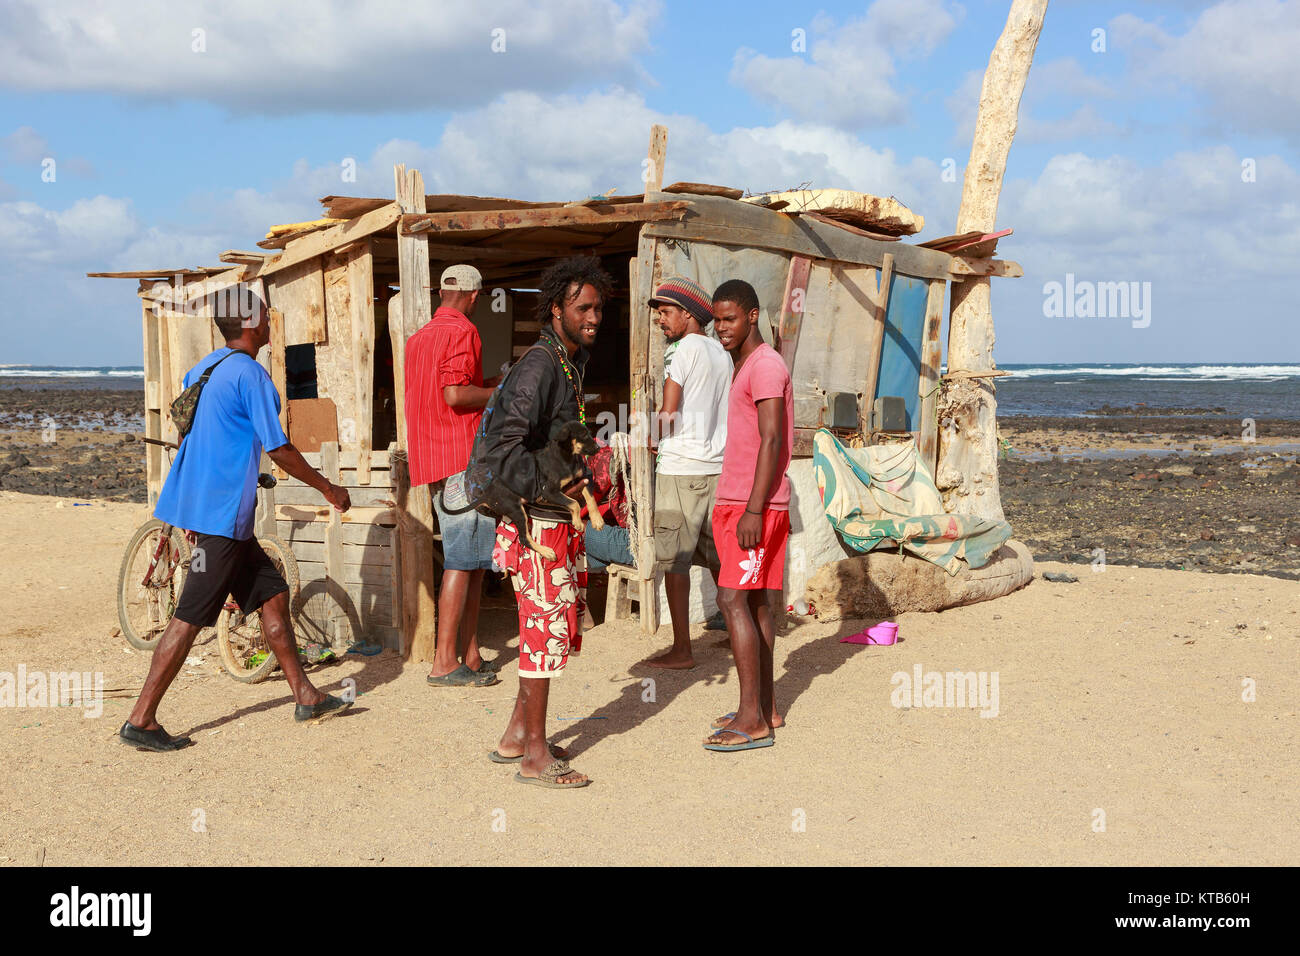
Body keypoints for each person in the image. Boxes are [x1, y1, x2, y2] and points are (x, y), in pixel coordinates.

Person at [122, 294, 354, 752]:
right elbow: (280, 447)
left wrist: (188, 513)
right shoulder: (251, 375)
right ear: (249, 321)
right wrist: (329, 488)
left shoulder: (202, 369)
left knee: (272, 592)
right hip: (223, 516)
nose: (270, 321)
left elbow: (192, 437)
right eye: (266, 314)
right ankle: (141, 718)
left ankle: (306, 696)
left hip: (208, 509)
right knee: (189, 618)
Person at [466, 255, 610, 788]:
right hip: (537, 526)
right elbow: (506, 449)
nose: (593, 316)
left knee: (547, 629)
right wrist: (555, 487)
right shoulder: (541, 365)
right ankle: (535, 757)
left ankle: (516, 736)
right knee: (543, 633)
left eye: (598, 307)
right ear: (556, 310)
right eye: (582, 307)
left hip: (552, 519)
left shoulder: (569, 362)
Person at [703, 279, 792, 752]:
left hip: (754, 506)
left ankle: (751, 719)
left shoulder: (765, 365)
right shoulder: (747, 365)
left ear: (753, 316)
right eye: (717, 319)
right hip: (742, 502)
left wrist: (754, 508)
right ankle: (765, 707)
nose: (721, 328)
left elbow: (773, 438)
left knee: (731, 599)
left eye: (730, 318)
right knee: (755, 603)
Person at [405, 264, 502, 687]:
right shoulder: (462, 331)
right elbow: (457, 394)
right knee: (463, 562)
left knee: (475, 560)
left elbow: (443, 394)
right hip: (463, 461)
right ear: (474, 296)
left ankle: (471, 654)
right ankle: (444, 662)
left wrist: (490, 382)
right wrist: (501, 392)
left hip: (433, 460)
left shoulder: (418, 340)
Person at [643, 277, 731, 669]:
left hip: (680, 468)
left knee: (675, 560)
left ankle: (682, 649)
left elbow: (669, 414)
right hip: (715, 467)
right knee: (717, 556)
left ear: (689, 315)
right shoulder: (721, 353)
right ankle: (735, 626)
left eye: (666, 312)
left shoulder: (682, 351)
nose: (661, 320)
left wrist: (650, 435)